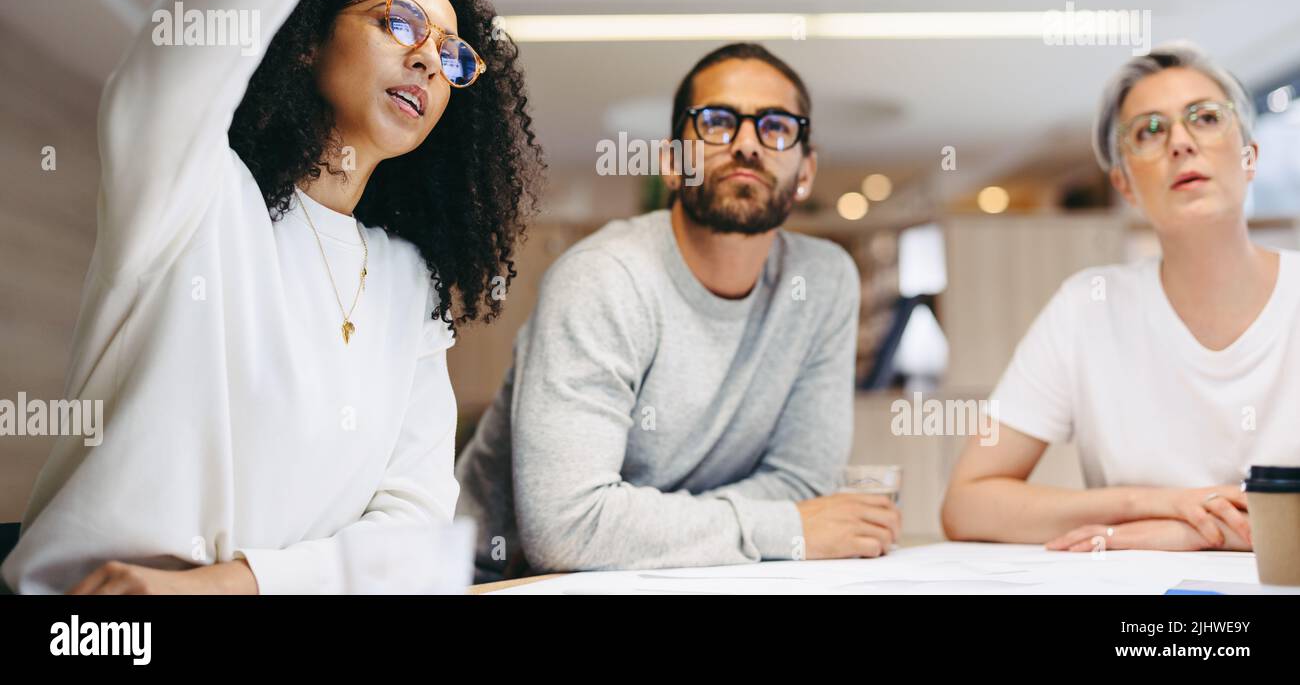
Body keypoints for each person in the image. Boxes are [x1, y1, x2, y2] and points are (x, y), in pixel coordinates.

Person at [3, 0, 544, 594]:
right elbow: (185, 42)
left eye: (451, 57)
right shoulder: (193, 192)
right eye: (399, 25)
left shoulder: (410, 285)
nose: (427, 63)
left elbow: (416, 537)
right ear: (304, 41)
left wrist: (229, 586)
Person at [455, 42, 900, 582]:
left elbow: (803, 485)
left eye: (776, 127)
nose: (746, 145)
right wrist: (786, 527)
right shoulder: (603, 278)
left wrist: (647, 524)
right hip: (505, 580)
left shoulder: (824, 282)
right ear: (671, 163)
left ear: (805, 172)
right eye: (716, 122)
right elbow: (567, 527)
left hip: (693, 575)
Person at [942, 43, 1300, 553]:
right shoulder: (1086, 307)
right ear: (1125, 184)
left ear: (1249, 158)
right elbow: (968, 503)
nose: (1180, 142)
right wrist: (1153, 503)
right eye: (1149, 130)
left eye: (1204, 118)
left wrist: (1191, 533)